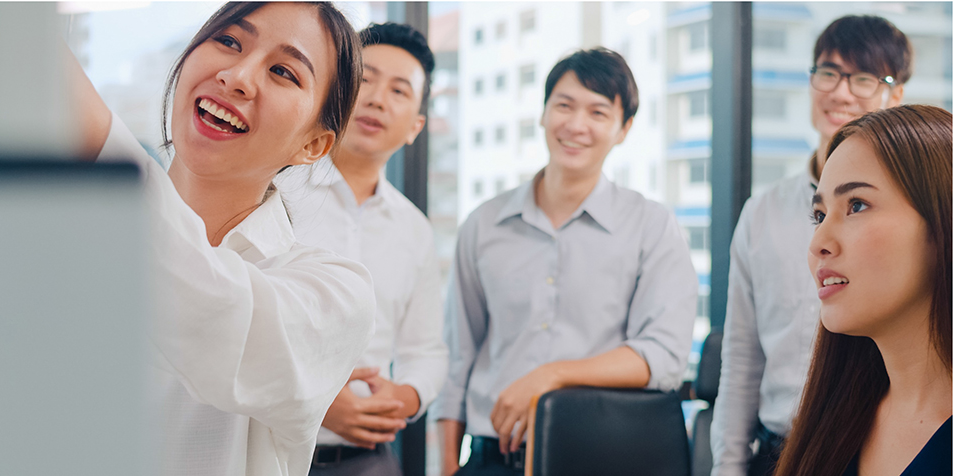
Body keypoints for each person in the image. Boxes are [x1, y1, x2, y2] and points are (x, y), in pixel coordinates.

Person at [69, 3, 376, 475]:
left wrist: (98, 144)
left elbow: (219, 319)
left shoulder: (334, 292)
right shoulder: (63, 233)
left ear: (312, 145)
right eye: (229, 41)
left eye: (283, 71)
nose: (237, 76)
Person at [433, 47, 698, 476]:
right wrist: (445, 465)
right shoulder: (484, 224)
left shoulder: (651, 225)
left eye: (598, 112)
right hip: (490, 460)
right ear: (542, 114)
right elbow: (457, 357)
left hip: (598, 455)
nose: (576, 125)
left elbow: (664, 357)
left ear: (623, 129)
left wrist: (551, 376)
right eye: (564, 105)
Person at [710, 15, 911, 476]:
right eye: (827, 73)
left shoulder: (910, 212)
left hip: (871, 451)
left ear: (895, 95)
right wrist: (727, 467)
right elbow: (741, 361)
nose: (840, 93)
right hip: (776, 451)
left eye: (862, 79)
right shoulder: (761, 212)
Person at [276, 22, 448, 475]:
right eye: (366, 79)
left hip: (368, 461)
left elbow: (426, 351)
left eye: (399, 90)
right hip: (266, 449)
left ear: (415, 126)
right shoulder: (274, 191)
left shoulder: (414, 229)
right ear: (337, 91)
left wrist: (405, 398)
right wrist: (316, 401)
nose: (376, 99)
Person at [775, 104, 951, 475]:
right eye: (819, 216)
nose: (818, 241)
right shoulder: (833, 422)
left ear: (943, 224)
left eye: (856, 205)